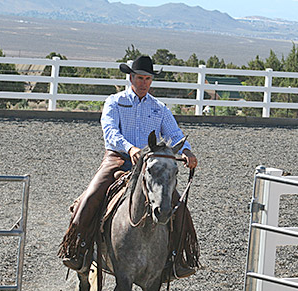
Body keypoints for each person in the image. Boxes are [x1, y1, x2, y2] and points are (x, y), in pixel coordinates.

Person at [58, 55, 198, 277]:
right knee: (91, 196)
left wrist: (186, 151)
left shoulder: (159, 108)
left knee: (179, 207)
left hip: (149, 165)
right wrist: (130, 148)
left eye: (148, 79)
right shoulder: (115, 102)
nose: (143, 83)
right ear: (131, 77)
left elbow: (174, 134)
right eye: (140, 78)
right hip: (118, 160)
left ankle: (177, 259)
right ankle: (78, 249)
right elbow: (110, 132)